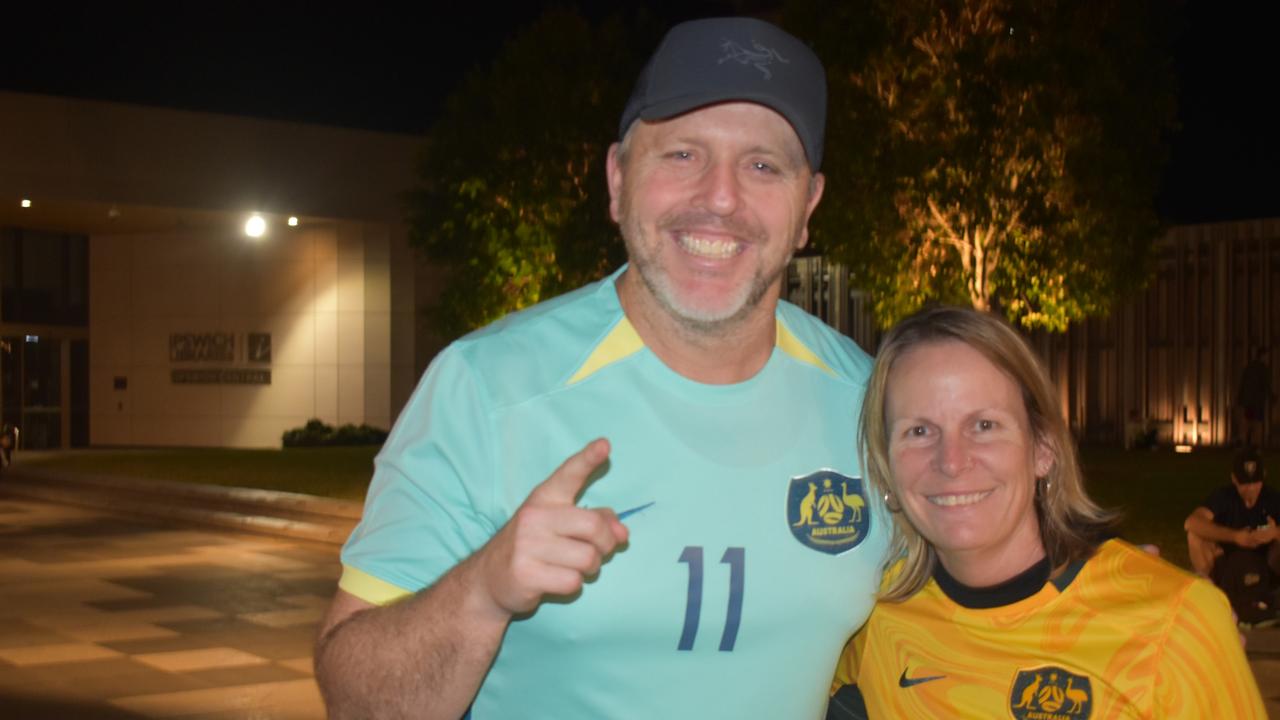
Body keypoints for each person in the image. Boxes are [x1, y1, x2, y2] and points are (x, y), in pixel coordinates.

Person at [315, 17, 890, 719]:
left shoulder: (874, 404)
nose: (720, 197)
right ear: (618, 179)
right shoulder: (483, 390)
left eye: (764, 165)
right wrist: (483, 591)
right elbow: (355, 700)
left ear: (809, 207)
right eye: (681, 154)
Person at [829, 306, 1265, 719]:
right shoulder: (870, 619)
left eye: (984, 425)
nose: (952, 461)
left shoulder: (1176, 622)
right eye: (919, 431)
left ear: (1044, 448)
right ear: (886, 464)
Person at [1185, 446, 1280, 624]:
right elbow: (1192, 522)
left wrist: (1274, 533)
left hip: (1265, 567)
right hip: (1227, 568)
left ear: (1264, 477)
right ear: (1234, 479)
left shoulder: (1273, 499)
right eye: (1245, 483)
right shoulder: (1224, 497)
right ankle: (1209, 596)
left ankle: (1273, 599)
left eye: (1255, 482)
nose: (1251, 489)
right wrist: (1236, 537)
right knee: (1194, 535)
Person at [1236, 347, 1273, 446]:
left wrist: (1240, 399)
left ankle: (1243, 440)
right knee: (1257, 422)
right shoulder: (1263, 369)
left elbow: (1243, 384)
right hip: (1258, 401)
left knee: (1248, 420)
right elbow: (1266, 384)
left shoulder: (1249, 367)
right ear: (1263, 356)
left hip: (1248, 401)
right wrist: (1271, 397)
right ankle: (1255, 443)